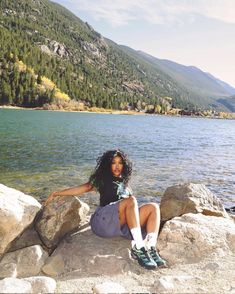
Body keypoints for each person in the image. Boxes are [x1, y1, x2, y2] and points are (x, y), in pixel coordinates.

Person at [45, 149, 166, 270]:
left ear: (124, 165)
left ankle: (150, 247)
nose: (117, 166)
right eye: (114, 163)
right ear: (108, 165)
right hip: (103, 222)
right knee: (132, 200)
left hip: (121, 226)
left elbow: (131, 210)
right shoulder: (102, 179)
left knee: (153, 207)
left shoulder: (125, 185)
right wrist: (57, 193)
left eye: (120, 163)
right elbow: (83, 188)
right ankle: (139, 247)